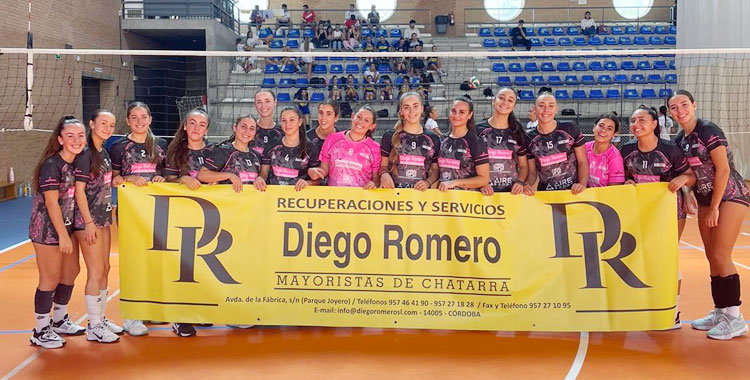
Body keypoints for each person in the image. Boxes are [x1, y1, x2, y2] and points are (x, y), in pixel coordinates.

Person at [670, 90, 750, 339]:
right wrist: (687, 193)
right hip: (705, 198)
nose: (680, 110)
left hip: (729, 195)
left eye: (684, 104)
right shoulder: (679, 139)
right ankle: (721, 310)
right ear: (670, 113)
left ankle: (735, 318)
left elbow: (723, 169)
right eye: (674, 107)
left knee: (720, 253)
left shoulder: (708, 130)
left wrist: (715, 206)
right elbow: (689, 173)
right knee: (711, 256)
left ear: (694, 105)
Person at [28, 116, 86, 349]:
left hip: (67, 225)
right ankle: (40, 330)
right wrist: (62, 235)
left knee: (71, 271)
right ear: (60, 139)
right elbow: (52, 204)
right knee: (50, 278)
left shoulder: (77, 161)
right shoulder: (52, 165)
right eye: (70, 136)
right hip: (47, 229)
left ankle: (59, 319)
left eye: (80, 135)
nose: (76, 140)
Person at [109, 102, 166, 336]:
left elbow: (168, 174)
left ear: (150, 119)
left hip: (157, 210)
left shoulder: (160, 145)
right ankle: (132, 317)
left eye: (144, 117)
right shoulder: (119, 146)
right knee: (134, 261)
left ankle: (150, 307)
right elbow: (113, 179)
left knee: (155, 259)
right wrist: (129, 179)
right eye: (135, 117)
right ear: (128, 120)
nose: (140, 121)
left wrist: (164, 180)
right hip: (131, 212)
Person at [72, 110, 122, 344]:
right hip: (88, 221)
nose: (108, 127)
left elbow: (102, 182)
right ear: (91, 124)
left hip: (103, 217)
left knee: (104, 267)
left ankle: (100, 319)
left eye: (111, 124)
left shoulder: (104, 153)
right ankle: (94, 325)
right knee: (95, 271)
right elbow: (79, 191)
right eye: (103, 123)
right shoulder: (85, 154)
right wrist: (89, 223)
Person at [163, 108, 213, 337]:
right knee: (182, 268)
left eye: (201, 124)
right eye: (192, 123)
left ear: (207, 129)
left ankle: (197, 311)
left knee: (202, 267)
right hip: (181, 217)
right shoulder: (174, 151)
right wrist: (182, 179)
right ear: (185, 126)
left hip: (207, 217)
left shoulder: (214, 152)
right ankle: (179, 316)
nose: (196, 128)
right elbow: (164, 181)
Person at [525, 93, 588, 194]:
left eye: (551, 105)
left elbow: (582, 161)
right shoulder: (529, 138)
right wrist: (527, 185)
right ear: (535, 109)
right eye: (541, 106)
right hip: (547, 195)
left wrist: (582, 184)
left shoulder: (570, 128)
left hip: (573, 192)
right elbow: (532, 172)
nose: (546, 110)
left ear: (556, 109)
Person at [309, 106, 381, 188]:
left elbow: (376, 179)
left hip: (360, 198)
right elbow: (324, 169)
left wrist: (373, 184)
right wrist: (314, 172)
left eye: (366, 120)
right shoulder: (332, 139)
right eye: (358, 117)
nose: (360, 121)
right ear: (352, 117)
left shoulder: (375, 148)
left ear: (372, 126)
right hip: (335, 197)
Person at [379, 92, 440, 190]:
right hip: (393, 196)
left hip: (420, 197)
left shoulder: (433, 138)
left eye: (415, 106)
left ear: (422, 109)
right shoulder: (390, 136)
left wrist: (427, 182)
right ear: (401, 111)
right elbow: (383, 166)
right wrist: (384, 174)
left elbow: (436, 170)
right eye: (406, 107)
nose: (411, 111)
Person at [477, 88, 529, 194]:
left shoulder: (517, 132)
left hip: (510, 194)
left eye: (510, 100)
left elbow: (523, 166)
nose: (505, 102)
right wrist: (480, 183)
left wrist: (520, 182)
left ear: (514, 106)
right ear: (493, 101)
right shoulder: (478, 130)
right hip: (483, 193)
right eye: (501, 98)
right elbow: (470, 163)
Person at [437, 97, 489, 191]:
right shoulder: (441, 139)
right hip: (442, 200)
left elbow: (484, 179)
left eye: (462, 112)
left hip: (465, 201)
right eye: (453, 111)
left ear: (470, 115)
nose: (456, 115)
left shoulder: (475, 142)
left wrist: (456, 182)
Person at [199, 115, 263, 192]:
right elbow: (202, 175)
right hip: (227, 202)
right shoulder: (223, 151)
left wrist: (260, 178)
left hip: (250, 202)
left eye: (252, 128)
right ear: (235, 128)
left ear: (255, 133)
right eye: (243, 126)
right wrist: (229, 175)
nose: (247, 131)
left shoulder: (257, 156)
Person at [257, 107, 313, 190]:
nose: (287, 124)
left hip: (298, 198)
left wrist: (309, 183)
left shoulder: (310, 147)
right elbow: (264, 173)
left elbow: (319, 179)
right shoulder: (272, 145)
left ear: (300, 122)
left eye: (292, 120)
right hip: (274, 196)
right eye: (284, 120)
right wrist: (260, 179)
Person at [584, 113, 625, 187]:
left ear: (614, 134)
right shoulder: (584, 148)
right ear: (594, 127)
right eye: (601, 126)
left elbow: (613, 190)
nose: (603, 130)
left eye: (609, 128)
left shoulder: (615, 158)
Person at [306, 99, 341, 184]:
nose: (323, 117)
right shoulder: (307, 137)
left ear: (336, 117)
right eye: (321, 113)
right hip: (310, 187)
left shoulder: (342, 139)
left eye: (328, 114)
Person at [249, 90, 283, 157]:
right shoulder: (248, 131)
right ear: (255, 105)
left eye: (267, 101)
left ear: (275, 102)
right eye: (259, 102)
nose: (263, 105)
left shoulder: (283, 132)